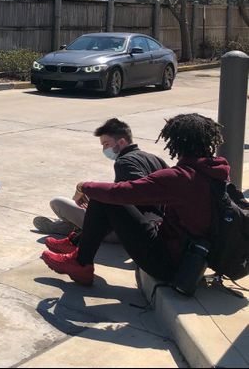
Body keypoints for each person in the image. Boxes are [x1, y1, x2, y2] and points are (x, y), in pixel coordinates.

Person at [41, 113, 230, 286]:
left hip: (167, 262)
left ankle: (81, 262)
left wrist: (84, 186)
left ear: (177, 142)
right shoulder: (216, 174)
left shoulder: (182, 177)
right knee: (107, 196)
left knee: (105, 198)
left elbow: (124, 193)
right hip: (190, 258)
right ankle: (77, 247)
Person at [32, 118, 169, 239]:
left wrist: (95, 201)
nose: (104, 149)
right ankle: (73, 226)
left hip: (127, 230)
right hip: (155, 224)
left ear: (121, 142)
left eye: (106, 144)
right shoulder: (154, 158)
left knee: (58, 202)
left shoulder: (124, 162)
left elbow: (130, 198)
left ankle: (66, 228)